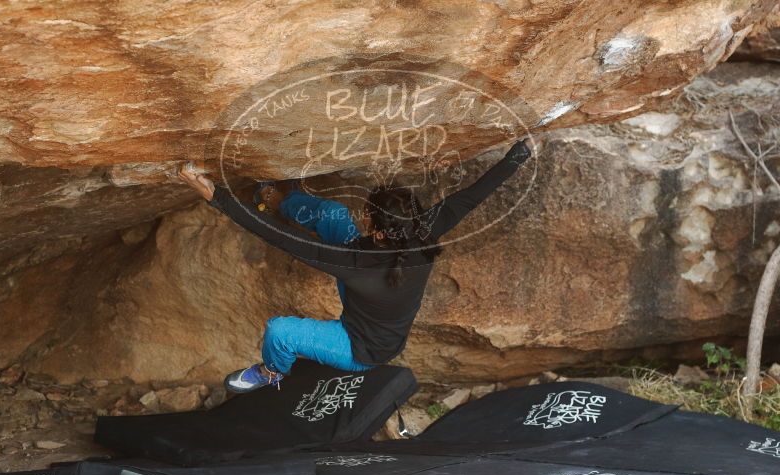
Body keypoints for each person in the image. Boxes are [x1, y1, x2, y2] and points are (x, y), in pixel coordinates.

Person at [178, 138, 533, 393]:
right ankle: (283, 199)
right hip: (370, 295)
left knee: (279, 332)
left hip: (359, 348)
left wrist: (217, 197)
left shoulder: (355, 261)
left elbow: (282, 240)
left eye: (369, 217)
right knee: (334, 215)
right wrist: (519, 155)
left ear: (377, 230)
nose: (363, 217)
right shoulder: (424, 231)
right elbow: (470, 196)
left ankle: (272, 372)